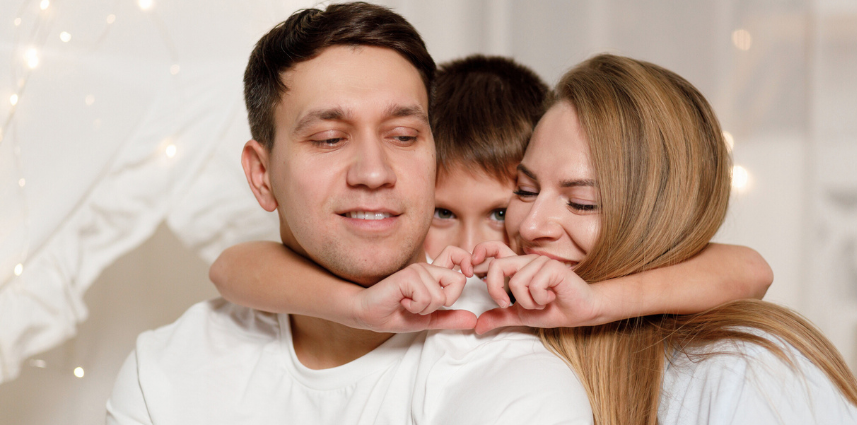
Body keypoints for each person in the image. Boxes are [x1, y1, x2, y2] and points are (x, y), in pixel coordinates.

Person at [105, 4, 593, 424]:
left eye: (403, 137)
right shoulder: (167, 370)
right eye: (329, 139)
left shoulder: (514, 372)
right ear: (260, 176)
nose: (374, 172)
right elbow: (230, 268)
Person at [209, 54, 773, 332]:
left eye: (503, 208)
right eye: (442, 212)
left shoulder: (547, 274)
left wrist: (597, 303)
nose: (477, 242)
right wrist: (357, 308)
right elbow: (233, 266)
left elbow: (750, 268)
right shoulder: (397, 276)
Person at [476, 53, 857, 424]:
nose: (529, 226)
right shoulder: (497, 329)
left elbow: (754, 269)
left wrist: (597, 304)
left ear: (659, 218)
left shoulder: (746, 373)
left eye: (582, 202)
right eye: (525, 191)